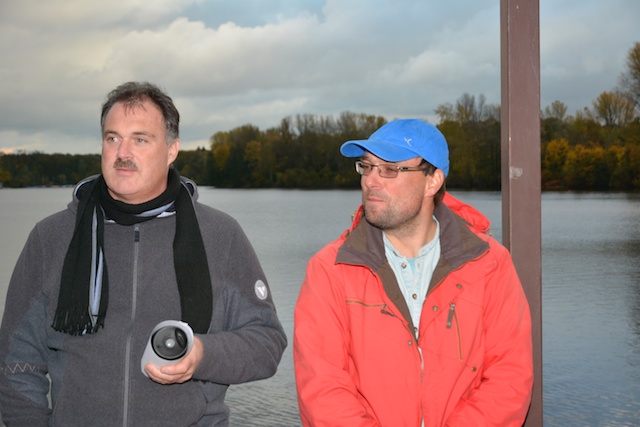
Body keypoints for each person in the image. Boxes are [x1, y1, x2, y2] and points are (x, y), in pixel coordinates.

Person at [0, 81, 287, 426]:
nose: (122, 153)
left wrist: (203, 354)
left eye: (140, 139)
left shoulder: (220, 235)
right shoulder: (51, 237)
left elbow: (266, 342)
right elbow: (16, 361)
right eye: (112, 138)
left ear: (171, 150)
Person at [293, 119, 533, 426]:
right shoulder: (331, 270)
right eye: (366, 167)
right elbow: (323, 390)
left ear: (432, 181)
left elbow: (509, 378)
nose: (370, 181)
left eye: (389, 169)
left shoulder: (489, 264)